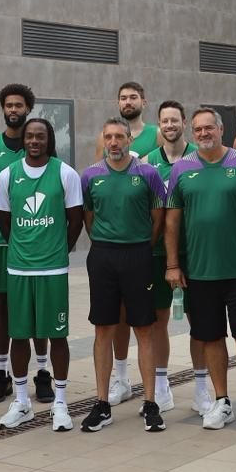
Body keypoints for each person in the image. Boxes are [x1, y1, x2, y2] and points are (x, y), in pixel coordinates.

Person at [165, 107, 236, 438]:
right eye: (198, 130)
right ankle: (222, 401)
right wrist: (172, 264)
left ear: (221, 129)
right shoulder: (181, 169)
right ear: (191, 133)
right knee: (210, 337)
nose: (203, 133)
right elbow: (172, 221)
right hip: (199, 272)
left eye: (209, 128)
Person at [0, 118, 85, 432]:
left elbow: (75, 221)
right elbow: (5, 222)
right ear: (24, 140)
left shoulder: (65, 173)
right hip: (19, 268)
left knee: (56, 335)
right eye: (30, 136)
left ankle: (60, 402)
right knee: (19, 336)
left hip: (53, 269)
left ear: (49, 140)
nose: (35, 141)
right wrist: (23, 248)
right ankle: (21, 401)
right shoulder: (8, 175)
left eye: (41, 136)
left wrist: (60, 249)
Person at [80, 119, 168, 433]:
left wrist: (142, 245)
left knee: (144, 329)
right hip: (103, 256)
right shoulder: (90, 176)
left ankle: (150, 403)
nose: (114, 142)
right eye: (108, 137)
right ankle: (102, 403)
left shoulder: (148, 174)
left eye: (119, 136)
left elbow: (158, 218)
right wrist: (107, 244)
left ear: (130, 139)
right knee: (103, 329)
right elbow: (89, 219)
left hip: (139, 254)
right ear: (103, 141)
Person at [98, 81, 161, 401]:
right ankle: (119, 378)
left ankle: (157, 388)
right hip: (109, 251)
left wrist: (146, 241)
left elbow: (158, 209)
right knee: (113, 318)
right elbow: (91, 207)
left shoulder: (156, 134)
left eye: (133, 96)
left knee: (147, 320)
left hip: (142, 246)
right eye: (122, 97)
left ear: (143, 101)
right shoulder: (104, 150)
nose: (127, 101)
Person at [0, 83, 35, 404]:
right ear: (2, 108)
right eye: (9, 105)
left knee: (33, 307)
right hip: (2, 242)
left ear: (28, 108)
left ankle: (40, 371)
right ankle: (2, 372)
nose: (13, 110)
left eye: (19, 105)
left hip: (34, 240)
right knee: (3, 307)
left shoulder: (37, 143)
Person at [144, 100, 196, 410]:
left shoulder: (197, 158)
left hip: (195, 251)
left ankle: (203, 386)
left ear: (184, 122)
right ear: (159, 125)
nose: (170, 125)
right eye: (164, 121)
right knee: (156, 322)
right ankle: (161, 386)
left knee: (199, 320)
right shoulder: (148, 163)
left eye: (175, 120)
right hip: (157, 254)